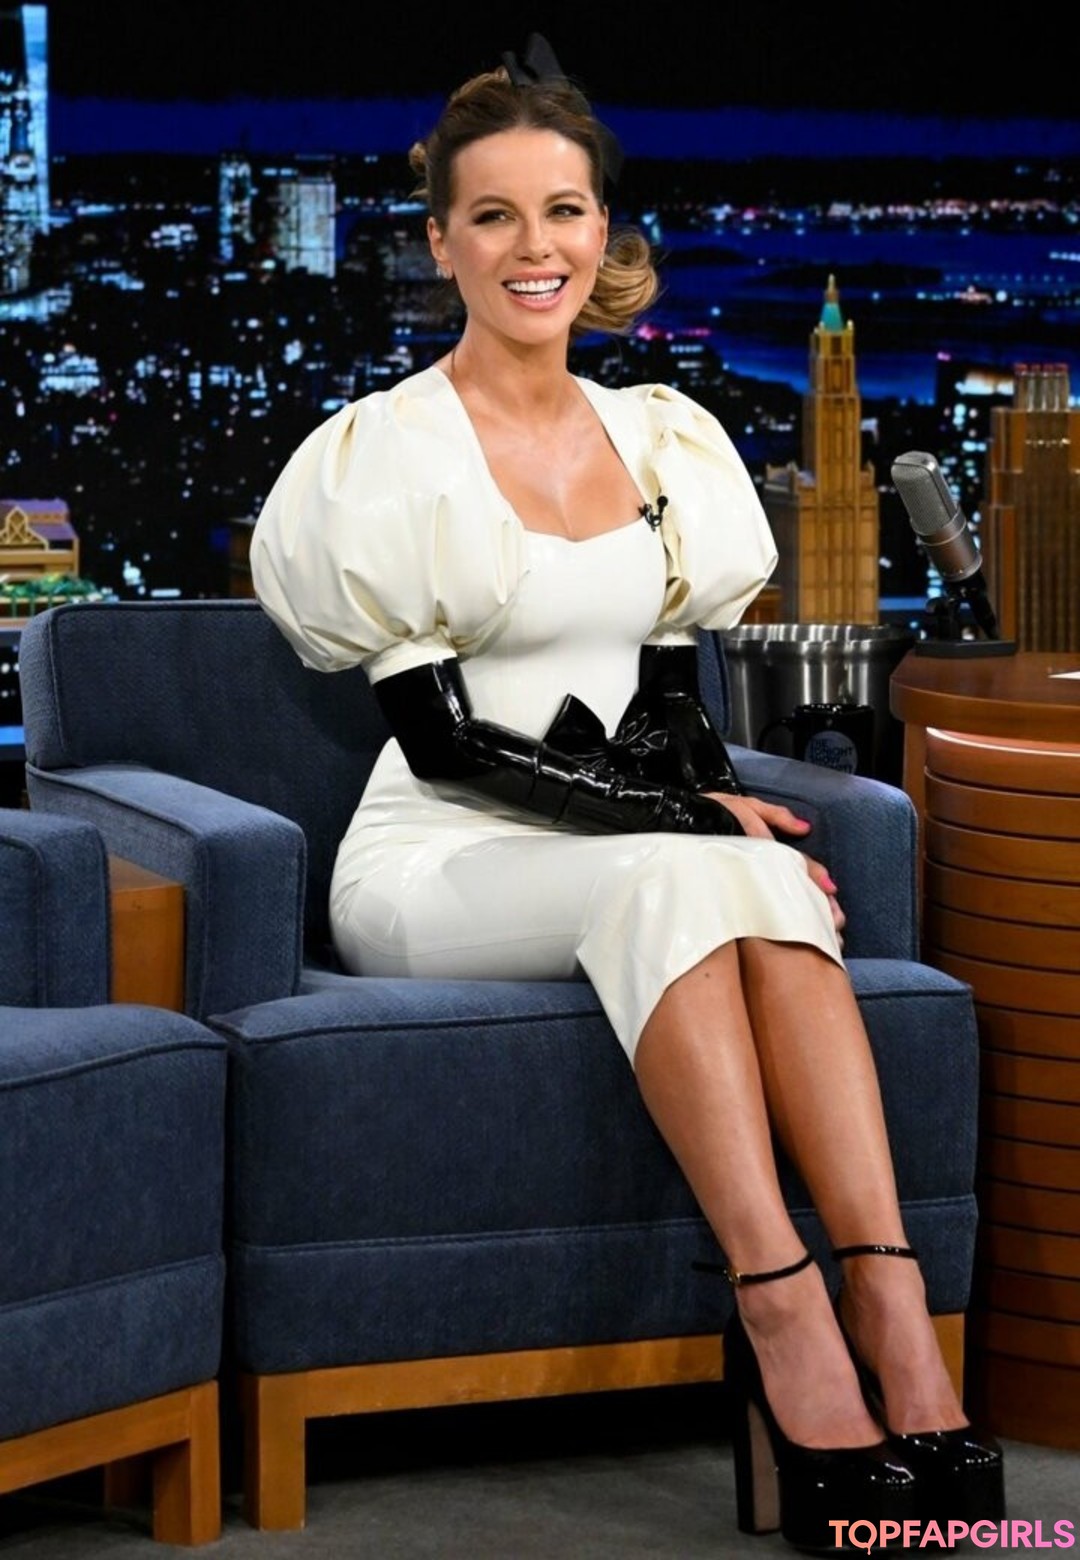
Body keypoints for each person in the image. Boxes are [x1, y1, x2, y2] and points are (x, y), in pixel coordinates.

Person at [249, 34, 1003, 1551]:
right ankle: (783, 1312)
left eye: (564, 211)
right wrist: (688, 823)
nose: (534, 246)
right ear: (442, 243)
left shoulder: (663, 439)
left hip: (609, 851)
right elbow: (451, 748)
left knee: (746, 869)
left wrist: (709, 813)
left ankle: (890, 1309)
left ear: (604, 233)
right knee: (695, 865)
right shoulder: (383, 456)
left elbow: (666, 717)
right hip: (435, 861)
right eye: (494, 216)